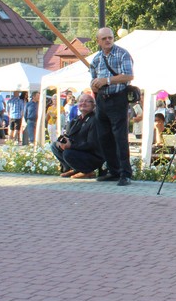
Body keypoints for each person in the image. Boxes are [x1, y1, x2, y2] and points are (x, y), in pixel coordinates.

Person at [90, 27, 135, 186]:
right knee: (104, 137)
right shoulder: (96, 59)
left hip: (117, 98)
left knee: (120, 137)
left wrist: (107, 80)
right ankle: (113, 171)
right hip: (102, 99)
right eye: (104, 38)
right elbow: (93, 79)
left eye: (110, 37)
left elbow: (129, 75)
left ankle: (125, 173)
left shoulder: (122, 54)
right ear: (98, 41)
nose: (108, 40)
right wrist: (95, 85)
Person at [50, 93, 105, 179]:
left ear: (93, 105)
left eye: (87, 101)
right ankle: (74, 169)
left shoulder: (95, 120)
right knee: (54, 146)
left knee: (68, 153)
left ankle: (88, 171)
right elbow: (68, 135)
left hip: (92, 155)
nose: (83, 103)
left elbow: (91, 144)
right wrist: (61, 142)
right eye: (81, 101)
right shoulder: (76, 119)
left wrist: (71, 146)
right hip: (78, 150)